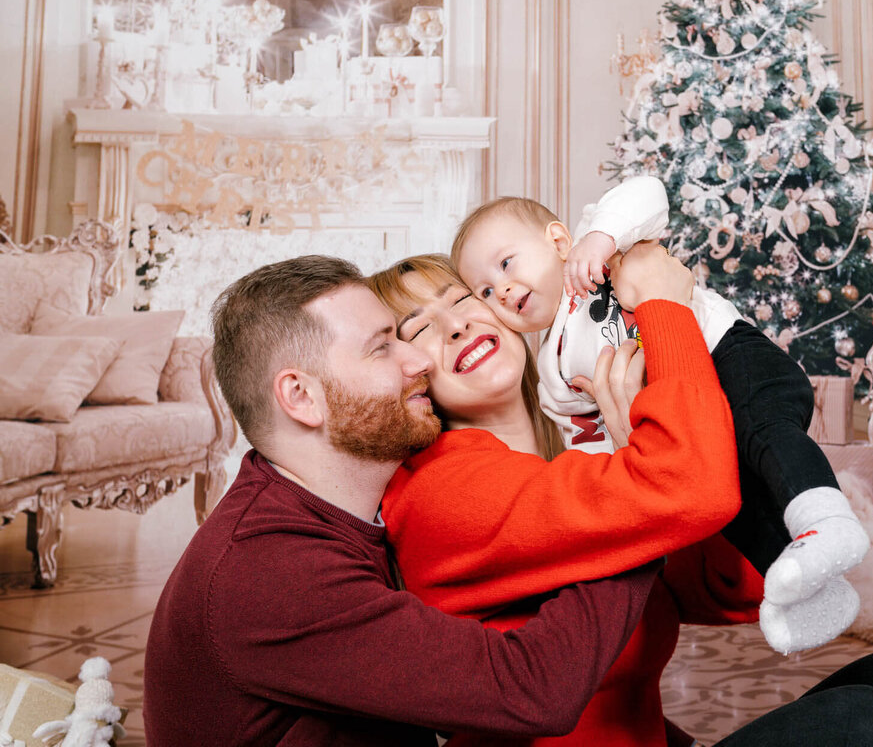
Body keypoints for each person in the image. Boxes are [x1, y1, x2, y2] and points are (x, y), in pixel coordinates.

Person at [369, 245, 873, 747]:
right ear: (406, 375)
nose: (455, 326)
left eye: (461, 299)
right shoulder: (441, 490)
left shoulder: (562, 460)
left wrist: (672, 467)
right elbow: (688, 491)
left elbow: (723, 585)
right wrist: (662, 307)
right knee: (858, 725)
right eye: (420, 327)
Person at [142, 255, 668, 746]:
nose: (417, 360)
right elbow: (532, 690)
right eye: (383, 346)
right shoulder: (268, 572)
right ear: (301, 397)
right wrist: (636, 486)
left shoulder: (336, 513)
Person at [450, 177, 867, 654]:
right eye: (484, 291)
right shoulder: (553, 363)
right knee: (735, 503)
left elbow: (648, 193)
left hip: (726, 355)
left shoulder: (595, 248)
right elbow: (584, 440)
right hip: (694, 419)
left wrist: (603, 235)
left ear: (558, 241)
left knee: (763, 428)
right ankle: (814, 590)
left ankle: (827, 519)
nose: (501, 288)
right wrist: (622, 476)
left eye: (506, 263)